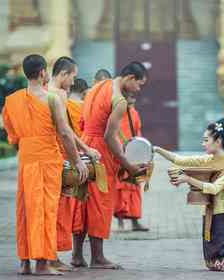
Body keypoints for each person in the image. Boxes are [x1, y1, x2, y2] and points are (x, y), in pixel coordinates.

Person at [2, 54, 88, 275]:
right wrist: (77, 161)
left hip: (26, 161)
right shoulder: (51, 99)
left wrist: (28, 150)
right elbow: (65, 133)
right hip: (48, 160)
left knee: (26, 210)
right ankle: (42, 262)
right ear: (42, 73)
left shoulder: (12, 100)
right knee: (46, 211)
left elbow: (12, 137)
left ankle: (25, 262)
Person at [154, 117, 224, 272]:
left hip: (220, 214)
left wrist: (187, 179)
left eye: (206, 140)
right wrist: (156, 149)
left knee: (220, 263)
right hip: (210, 212)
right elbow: (180, 160)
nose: (203, 144)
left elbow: (215, 189)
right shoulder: (209, 159)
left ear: (218, 141)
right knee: (218, 261)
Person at [72, 62, 148, 269]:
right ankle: (97, 258)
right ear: (130, 78)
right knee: (100, 203)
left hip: (85, 145)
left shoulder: (97, 87)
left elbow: (83, 122)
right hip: (100, 151)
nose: (139, 89)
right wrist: (128, 165)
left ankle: (77, 255)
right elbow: (108, 137)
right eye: (139, 84)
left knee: (83, 201)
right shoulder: (120, 100)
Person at [46, 57, 100, 272]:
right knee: (54, 210)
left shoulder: (48, 93)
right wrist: (80, 156)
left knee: (56, 209)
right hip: (55, 156)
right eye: (73, 76)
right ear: (63, 74)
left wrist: (84, 150)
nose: (73, 81)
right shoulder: (56, 95)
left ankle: (51, 255)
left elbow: (66, 129)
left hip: (53, 155)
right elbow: (65, 131)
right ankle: (49, 256)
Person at [114, 95, 149, 231]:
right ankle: (120, 223)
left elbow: (137, 132)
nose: (133, 98)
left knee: (135, 188)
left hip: (134, 154)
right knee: (121, 188)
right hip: (121, 153)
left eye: (134, 97)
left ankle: (135, 222)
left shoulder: (134, 113)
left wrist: (142, 151)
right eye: (130, 96)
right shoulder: (116, 112)